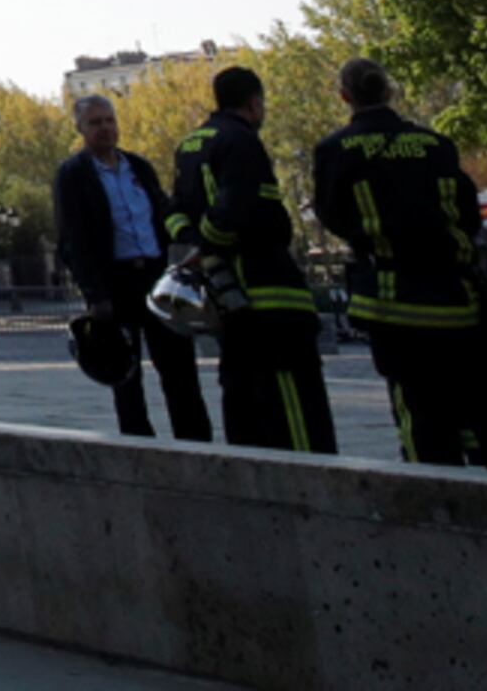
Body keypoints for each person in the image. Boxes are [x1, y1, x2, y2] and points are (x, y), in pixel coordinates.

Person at [309, 58, 487, 473]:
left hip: (395, 298)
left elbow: (332, 213)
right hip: (460, 295)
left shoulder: (336, 149)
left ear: (345, 95)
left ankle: (437, 489)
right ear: (389, 90)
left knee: (420, 408)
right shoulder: (434, 144)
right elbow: (466, 210)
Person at [169, 64, 335, 453]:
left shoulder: (190, 145)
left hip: (225, 296)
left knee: (242, 391)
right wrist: (211, 245)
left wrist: (196, 248)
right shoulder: (241, 141)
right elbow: (237, 204)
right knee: (293, 395)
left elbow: (173, 210)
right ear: (253, 101)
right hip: (267, 287)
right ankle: (307, 474)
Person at [52, 93, 210, 442]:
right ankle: (139, 446)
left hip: (154, 276)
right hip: (115, 283)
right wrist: (94, 293)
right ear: (80, 128)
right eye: (95, 122)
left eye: (109, 120)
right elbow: (73, 240)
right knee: (125, 377)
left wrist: (187, 240)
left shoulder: (138, 166)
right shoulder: (73, 174)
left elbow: (162, 209)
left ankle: (196, 444)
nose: (105, 129)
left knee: (180, 371)